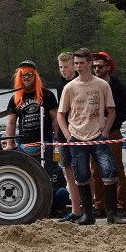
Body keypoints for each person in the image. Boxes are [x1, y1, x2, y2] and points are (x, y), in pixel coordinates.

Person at [56, 47, 126, 225]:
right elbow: (60, 113)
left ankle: (113, 214)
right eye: (76, 64)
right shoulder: (69, 87)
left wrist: (104, 133)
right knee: (81, 175)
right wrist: (67, 135)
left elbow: (111, 111)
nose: (78, 67)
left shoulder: (102, 85)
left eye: (82, 63)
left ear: (89, 64)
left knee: (110, 172)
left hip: (98, 136)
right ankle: (88, 214)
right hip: (77, 137)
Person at [89, 51, 126, 218]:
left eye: (100, 66)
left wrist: (109, 123)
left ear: (108, 67)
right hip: (93, 133)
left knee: (117, 169)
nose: (97, 69)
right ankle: (100, 205)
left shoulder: (117, 86)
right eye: (95, 67)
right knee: (96, 171)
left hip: (113, 132)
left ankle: (122, 205)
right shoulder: (91, 85)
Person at [1, 60, 58, 164]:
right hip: (24, 144)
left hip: (44, 142)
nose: (26, 77)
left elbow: (56, 118)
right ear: (19, 77)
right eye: (23, 75)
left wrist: (58, 138)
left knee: (46, 172)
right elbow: (11, 122)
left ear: (35, 76)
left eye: (30, 74)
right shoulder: (15, 99)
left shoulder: (47, 95)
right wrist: (9, 144)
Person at [55, 51, 83, 222]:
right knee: (68, 170)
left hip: (79, 131)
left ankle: (88, 208)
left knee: (83, 171)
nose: (63, 70)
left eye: (66, 67)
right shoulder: (61, 85)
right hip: (64, 132)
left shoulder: (80, 83)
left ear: (74, 66)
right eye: (60, 67)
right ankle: (75, 210)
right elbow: (60, 111)